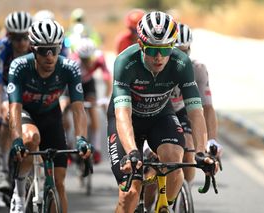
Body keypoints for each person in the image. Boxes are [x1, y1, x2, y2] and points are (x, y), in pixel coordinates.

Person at [107, 11, 218, 213]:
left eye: (165, 49)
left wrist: (201, 152)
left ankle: (162, 207)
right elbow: (123, 113)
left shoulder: (181, 63)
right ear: (141, 45)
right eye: (151, 50)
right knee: (130, 194)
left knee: (176, 161)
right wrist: (132, 152)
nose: (159, 57)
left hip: (160, 115)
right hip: (128, 119)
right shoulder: (125, 61)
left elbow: (195, 112)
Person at [8, 19, 92, 213]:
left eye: (53, 50)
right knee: (31, 138)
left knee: (59, 182)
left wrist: (81, 139)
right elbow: (14, 108)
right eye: (43, 50)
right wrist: (16, 140)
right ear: (33, 49)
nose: (49, 57)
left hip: (51, 116)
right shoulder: (19, 66)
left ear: (59, 48)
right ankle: (18, 194)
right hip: (26, 113)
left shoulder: (69, 68)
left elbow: (78, 108)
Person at [171, 23, 222, 183]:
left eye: (184, 51)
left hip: (179, 111)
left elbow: (206, 107)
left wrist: (212, 140)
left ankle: (183, 197)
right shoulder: (157, 66)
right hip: (155, 112)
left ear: (189, 49)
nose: (180, 57)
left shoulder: (197, 69)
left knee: (188, 153)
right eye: (176, 52)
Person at [0, 11, 33, 207]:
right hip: (7, 89)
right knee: (7, 116)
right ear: (8, 36)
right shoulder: (1, 48)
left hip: (30, 90)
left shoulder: (36, 46)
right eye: (15, 38)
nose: (20, 42)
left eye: (24, 37)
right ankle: (3, 171)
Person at [65, 37, 112, 163]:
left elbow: (107, 79)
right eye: (84, 59)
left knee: (93, 110)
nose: (87, 62)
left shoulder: (99, 58)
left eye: (89, 59)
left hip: (88, 84)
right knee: (63, 110)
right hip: (71, 84)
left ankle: (96, 149)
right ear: (78, 56)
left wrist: (105, 98)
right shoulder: (72, 60)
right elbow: (64, 82)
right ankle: (67, 145)